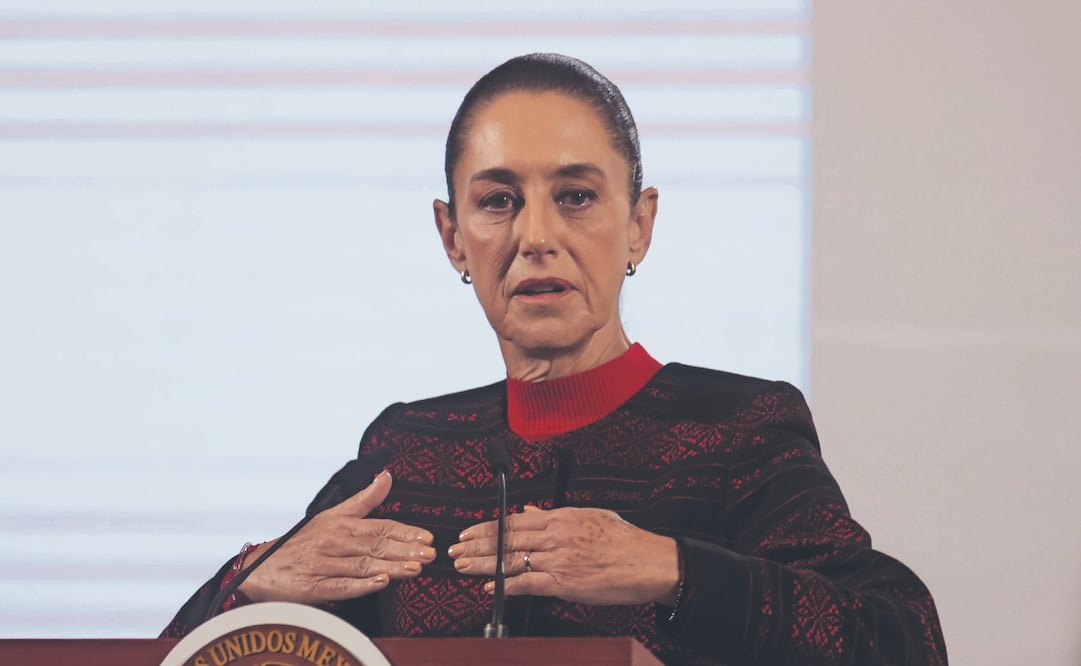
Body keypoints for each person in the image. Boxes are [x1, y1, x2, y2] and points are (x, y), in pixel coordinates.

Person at [163, 53, 947, 665]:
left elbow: (900, 637)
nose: (535, 235)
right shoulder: (405, 450)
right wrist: (251, 584)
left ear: (638, 225)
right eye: (498, 200)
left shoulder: (738, 428)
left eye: (574, 196)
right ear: (451, 237)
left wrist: (670, 568)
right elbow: (178, 654)